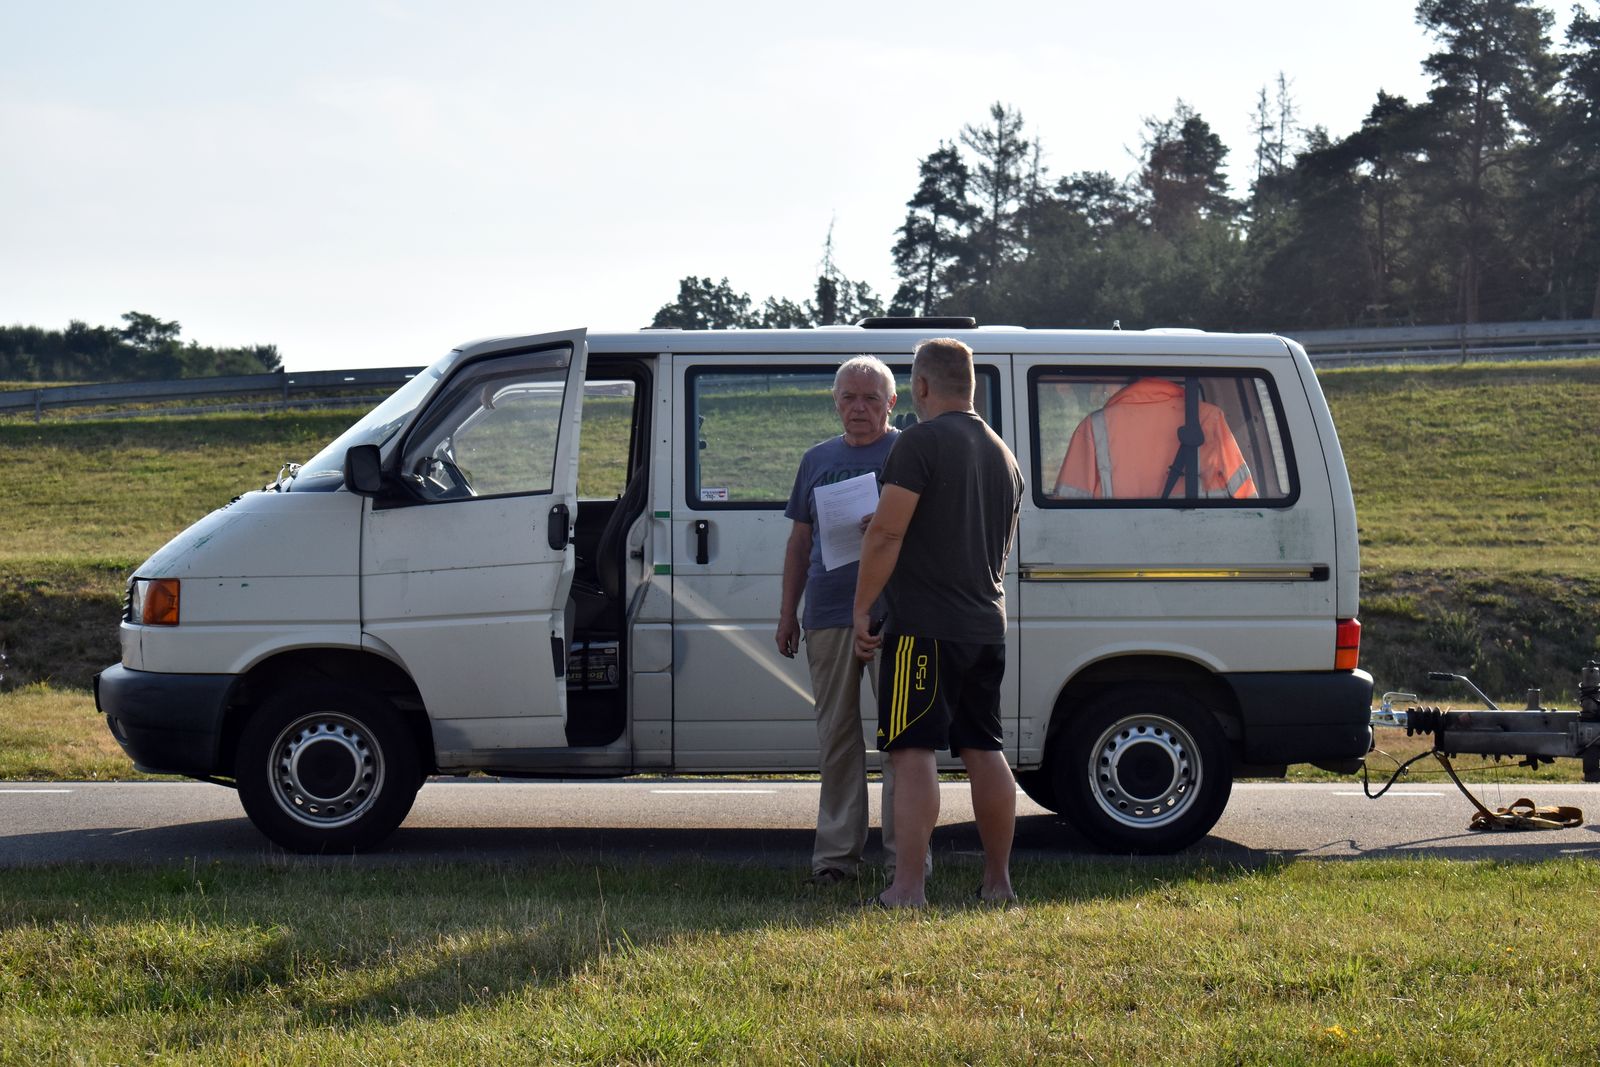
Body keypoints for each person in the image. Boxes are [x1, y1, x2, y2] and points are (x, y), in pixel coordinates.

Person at [852, 337, 1023, 908]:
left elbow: (886, 533)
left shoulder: (919, 441)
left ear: (921, 386)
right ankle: (998, 884)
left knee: (911, 750)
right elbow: (990, 543)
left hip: (923, 626)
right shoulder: (1003, 453)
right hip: (985, 625)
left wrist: (861, 609)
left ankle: (907, 889)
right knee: (984, 748)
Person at [777, 355, 925, 886]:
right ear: (835, 402)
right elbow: (799, 543)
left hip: (898, 615)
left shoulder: (911, 452)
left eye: (871, 398)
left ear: (892, 403)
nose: (859, 407)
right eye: (849, 397)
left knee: (903, 743)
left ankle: (906, 860)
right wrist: (788, 614)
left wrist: (890, 524)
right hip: (828, 613)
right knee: (837, 739)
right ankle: (836, 859)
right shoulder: (816, 459)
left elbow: (938, 530)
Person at [1053, 376, 1257, 500]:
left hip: (1117, 547)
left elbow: (1066, 513)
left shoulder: (1094, 425)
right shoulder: (1209, 418)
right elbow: (1246, 498)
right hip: (1203, 544)